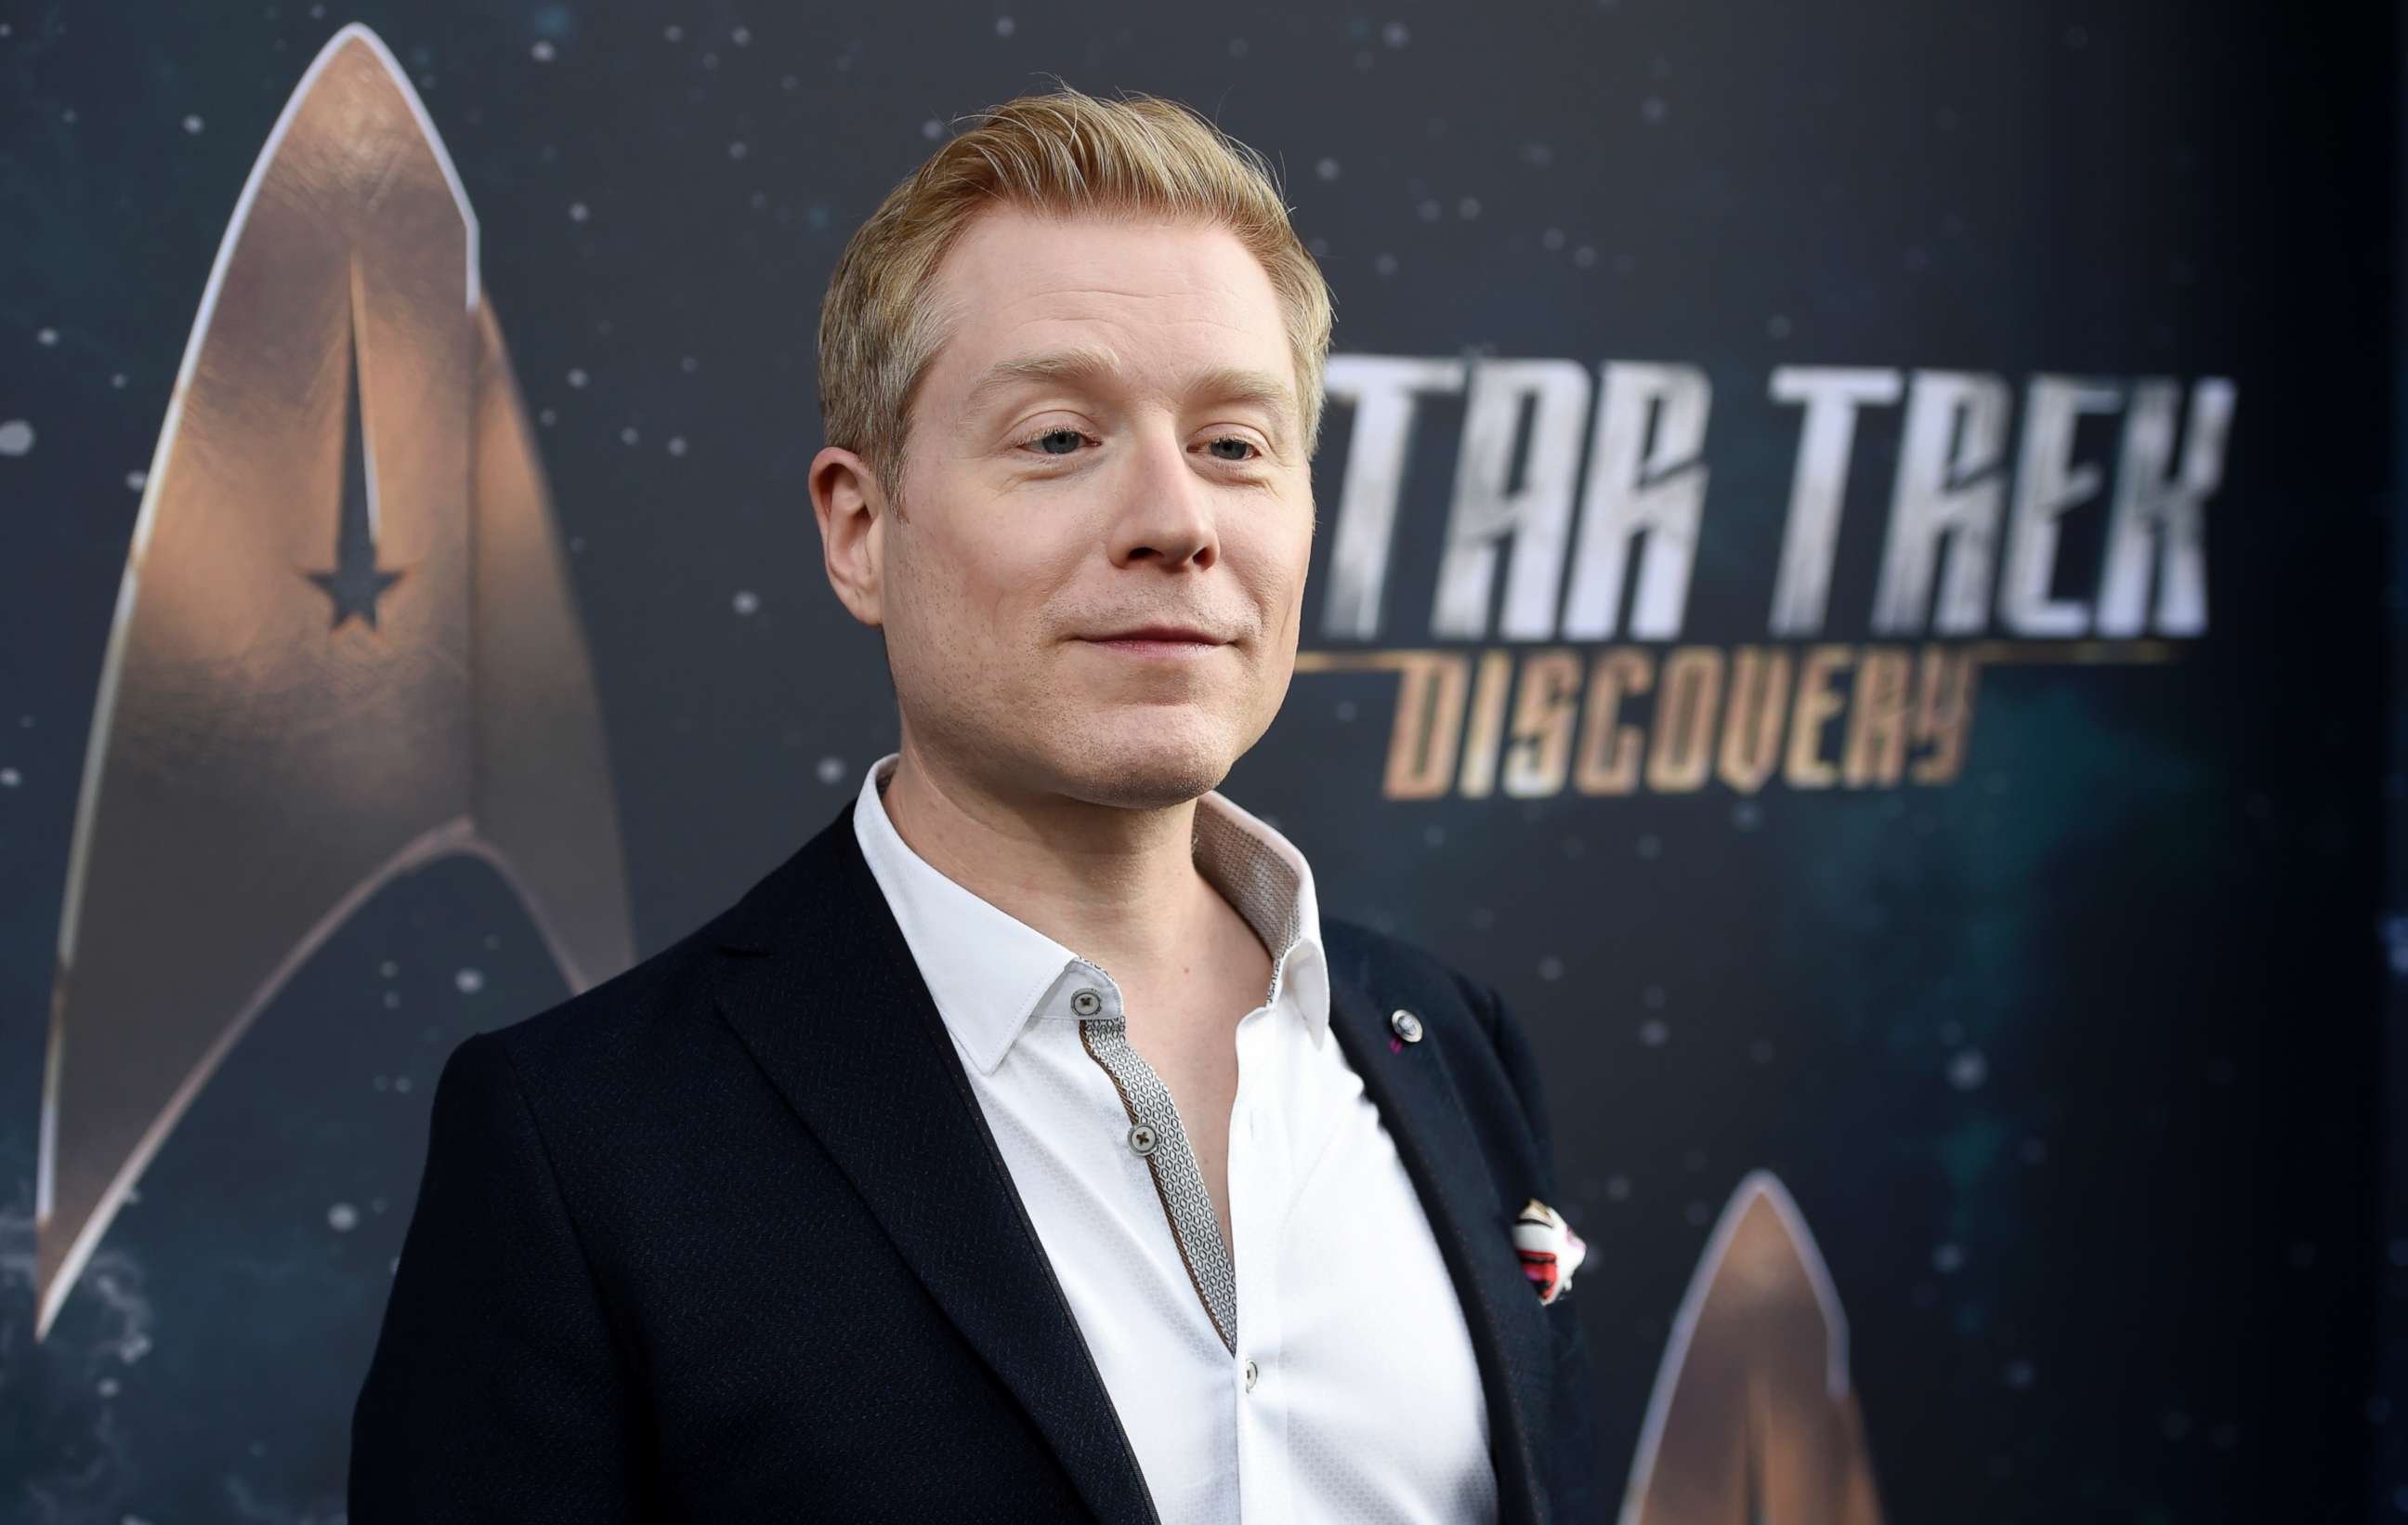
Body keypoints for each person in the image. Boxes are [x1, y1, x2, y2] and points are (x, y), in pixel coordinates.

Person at [349, 85, 1595, 1524]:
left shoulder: (1452, 1047)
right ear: (859, 530)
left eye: (1238, 445)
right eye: (1061, 437)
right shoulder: (584, 1145)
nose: (1178, 519)